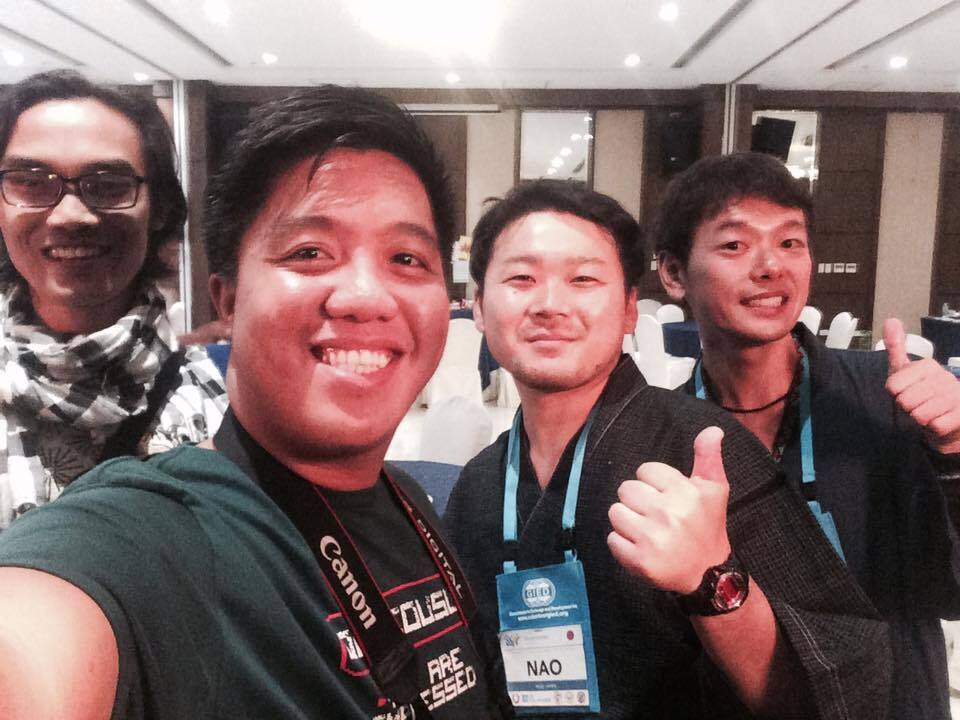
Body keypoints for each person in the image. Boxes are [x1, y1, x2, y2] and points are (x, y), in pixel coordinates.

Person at [0, 85, 510, 719]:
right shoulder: (164, 535)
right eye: (309, 252)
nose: (365, 296)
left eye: (406, 258)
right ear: (229, 299)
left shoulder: (411, 505)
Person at [444, 180, 891, 720]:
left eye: (583, 279)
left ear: (630, 310)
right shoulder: (478, 485)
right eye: (521, 278)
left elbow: (842, 680)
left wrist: (711, 578)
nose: (550, 304)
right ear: (478, 308)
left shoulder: (699, 451)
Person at [652, 151, 960, 720]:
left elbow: (952, 593)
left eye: (790, 242)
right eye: (734, 245)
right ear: (673, 273)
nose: (771, 265)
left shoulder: (884, 401)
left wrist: (953, 454)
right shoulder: (664, 439)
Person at [0, 70, 227, 530]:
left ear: (160, 208)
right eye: (31, 182)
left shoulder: (224, 397)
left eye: (108, 185)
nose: (70, 215)